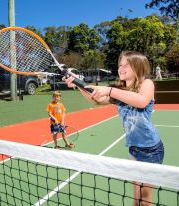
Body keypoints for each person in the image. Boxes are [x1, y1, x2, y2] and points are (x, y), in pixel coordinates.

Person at [64, 51, 164, 206]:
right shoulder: (120, 89)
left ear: (138, 67)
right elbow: (96, 99)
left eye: (126, 65)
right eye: (120, 65)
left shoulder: (147, 84)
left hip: (151, 150)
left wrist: (109, 90)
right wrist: (77, 84)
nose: (121, 68)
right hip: (134, 149)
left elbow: (142, 101)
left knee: (145, 200)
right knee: (136, 196)